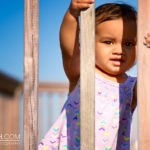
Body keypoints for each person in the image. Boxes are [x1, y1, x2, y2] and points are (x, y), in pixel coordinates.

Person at [38, 1, 150, 150]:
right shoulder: (82, 72)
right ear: (88, 43)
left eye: (128, 44)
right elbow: (68, 47)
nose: (119, 50)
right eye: (108, 42)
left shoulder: (133, 86)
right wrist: (72, 15)